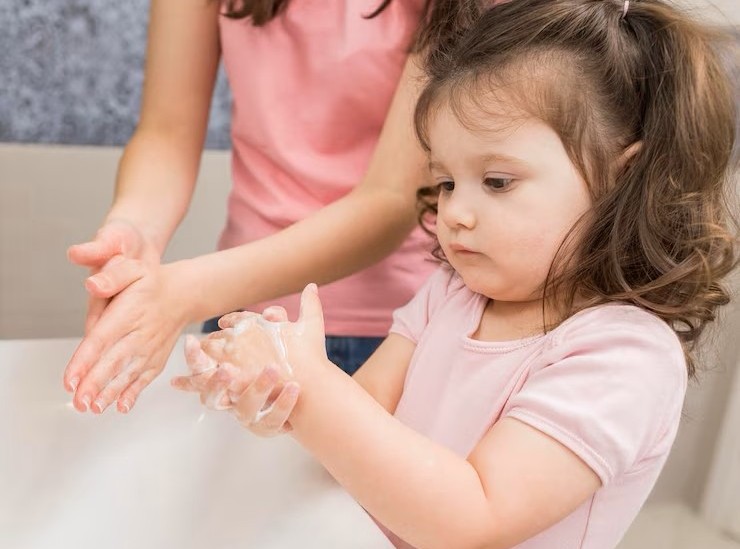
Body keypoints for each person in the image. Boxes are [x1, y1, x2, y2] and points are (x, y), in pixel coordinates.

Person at [173, 0, 738, 547]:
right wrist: (279, 390)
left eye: (496, 182)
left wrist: (316, 388)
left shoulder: (621, 356)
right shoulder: (451, 295)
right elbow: (356, 423)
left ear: (620, 178)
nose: (455, 213)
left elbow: (473, 519)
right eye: (445, 182)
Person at [63, 0, 488, 415]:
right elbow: (166, 132)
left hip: (395, 336)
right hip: (242, 321)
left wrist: (184, 291)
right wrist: (134, 228)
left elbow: (391, 199)